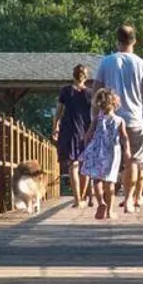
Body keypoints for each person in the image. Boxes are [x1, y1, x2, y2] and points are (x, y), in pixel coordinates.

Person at [93, 23, 143, 215]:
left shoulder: (106, 62)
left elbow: (96, 93)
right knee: (132, 161)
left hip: (109, 119)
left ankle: (107, 203)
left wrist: (94, 120)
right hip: (134, 120)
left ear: (117, 41)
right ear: (135, 41)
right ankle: (130, 200)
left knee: (107, 161)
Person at [75, 87, 124, 220]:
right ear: (115, 104)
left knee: (96, 179)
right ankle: (110, 211)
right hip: (112, 153)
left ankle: (101, 202)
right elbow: (124, 137)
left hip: (97, 151)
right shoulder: (119, 120)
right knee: (110, 181)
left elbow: (88, 134)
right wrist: (128, 151)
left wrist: (86, 147)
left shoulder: (97, 118)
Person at [55, 64, 94, 207]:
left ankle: (78, 199)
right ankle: (83, 197)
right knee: (85, 166)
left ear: (73, 75)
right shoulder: (90, 93)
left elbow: (58, 111)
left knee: (73, 165)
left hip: (69, 129)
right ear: (86, 76)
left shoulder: (65, 91)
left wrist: (55, 127)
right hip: (86, 130)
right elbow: (94, 114)